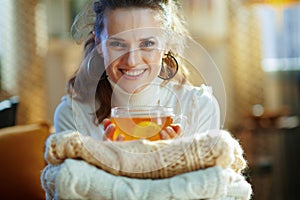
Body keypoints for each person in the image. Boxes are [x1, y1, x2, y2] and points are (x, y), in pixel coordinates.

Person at [54, 0, 221, 141]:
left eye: (147, 44)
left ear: (167, 45)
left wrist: (176, 163)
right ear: (99, 44)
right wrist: (105, 164)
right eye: (117, 44)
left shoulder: (199, 108)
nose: (132, 61)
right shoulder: (72, 115)